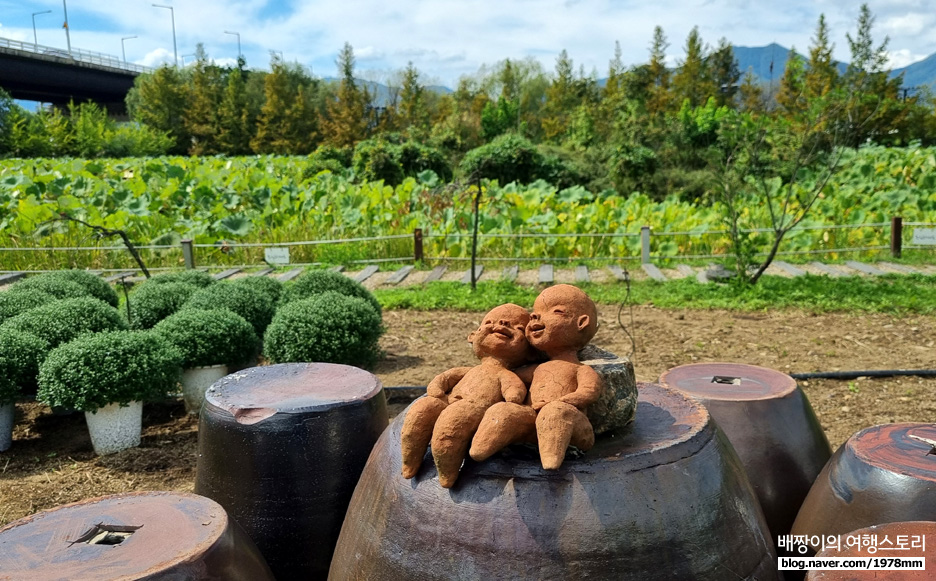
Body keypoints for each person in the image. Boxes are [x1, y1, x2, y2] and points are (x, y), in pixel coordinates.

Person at [400, 303, 533, 487]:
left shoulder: (505, 374)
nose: (502, 323)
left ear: (530, 353)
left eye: (517, 328)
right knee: (421, 410)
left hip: (475, 409)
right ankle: (410, 462)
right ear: (473, 336)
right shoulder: (466, 371)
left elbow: (514, 393)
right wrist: (436, 390)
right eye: (489, 322)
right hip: (447, 402)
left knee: (453, 421)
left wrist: (513, 396)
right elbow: (443, 380)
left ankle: (447, 473)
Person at [470, 284, 602, 470]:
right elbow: (511, 378)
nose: (534, 316)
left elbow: (589, 392)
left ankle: (551, 462)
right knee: (503, 411)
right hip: (533, 420)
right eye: (535, 312)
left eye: (556, 311)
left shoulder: (580, 369)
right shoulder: (536, 369)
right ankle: (477, 452)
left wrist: (562, 401)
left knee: (555, 413)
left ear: (581, 323)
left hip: (571, 427)